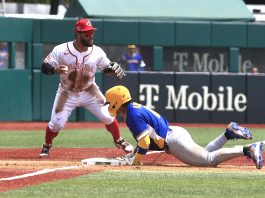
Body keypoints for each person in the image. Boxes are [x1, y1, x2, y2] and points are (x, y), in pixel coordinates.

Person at [104, 85, 264, 169]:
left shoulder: (131, 115)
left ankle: (248, 149)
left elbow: (145, 142)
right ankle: (228, 134)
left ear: (117, 101)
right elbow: (149, 139)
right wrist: (133, 155)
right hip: (176, 132)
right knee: (206, 153)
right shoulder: (135, 108)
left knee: (210, 160)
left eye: (110, 102)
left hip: (174, 141)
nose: (110, 105)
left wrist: (136, 160)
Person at [39, 18, 133, 157]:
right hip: (66, 92)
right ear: (78, 34)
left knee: (108, 116)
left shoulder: (97, 52)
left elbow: (107, 67)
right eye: (87, 33)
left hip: (90, 90)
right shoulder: (61, 50)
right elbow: (44, 67)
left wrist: (111, 70)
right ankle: (47, 145)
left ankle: (118, 140)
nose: (91, 35)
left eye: (91, 32)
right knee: (56, 124)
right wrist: (55, 69)